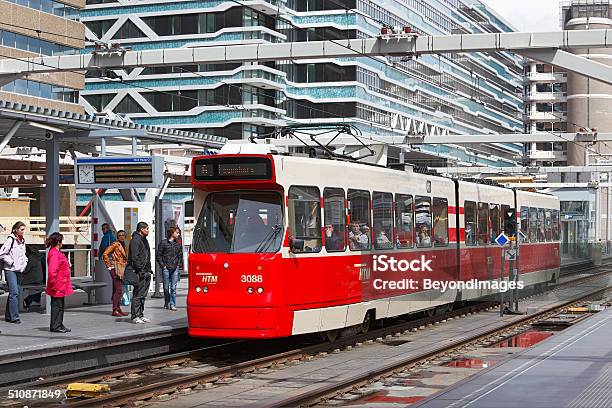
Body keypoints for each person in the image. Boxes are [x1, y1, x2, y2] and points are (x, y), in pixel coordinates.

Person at [45, 232, 74, 333]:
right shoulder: (54, 253)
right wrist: (53, 284)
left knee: (60, 305)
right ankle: (55, 326)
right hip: (57, 284)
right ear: (58, 242)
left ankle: (59, 324)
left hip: (61, 283)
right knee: (57, 306)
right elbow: (52, 271)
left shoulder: (57, 252)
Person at [1, 221, 28, 324]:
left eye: (23, 229)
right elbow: (2, 254)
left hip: (19, 270)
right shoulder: (10, 240)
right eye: (21, 229)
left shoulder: (22, 241)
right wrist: (11, 262)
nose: (23, 231)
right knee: (15, 293)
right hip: (10, 270)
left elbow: (24, 255)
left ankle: (9, 315)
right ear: (15, 230)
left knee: (15, 293)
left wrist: (24, 263)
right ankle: (14, 317)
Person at [128, 222, 152, 324]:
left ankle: (141, 314)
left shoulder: (144, 240)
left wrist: (149, 270)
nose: (148, 231)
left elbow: (146, 256)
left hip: (146, 271)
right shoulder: (136, 240)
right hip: (139, 272)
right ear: (141, 229)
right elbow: (135, 257)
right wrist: (140, 270)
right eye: (146, 229)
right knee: (137, 294)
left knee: (143, 295)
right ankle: (135, 316)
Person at [102, 230, 129, 317]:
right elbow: (105, 254)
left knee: (116, 290)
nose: (121, 236)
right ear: (117, 237)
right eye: (120, 235)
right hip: (115, 268)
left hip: (121, 268)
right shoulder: (115, 244)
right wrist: (109, 266)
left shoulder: (124, 245)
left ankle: (118, 308)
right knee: (118, 290)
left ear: (125, 236)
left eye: (123, 235)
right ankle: (115, 309)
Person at [156, 227, 183, 311]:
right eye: (177, 232)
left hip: (175, 268)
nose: (178, 234)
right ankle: (167, 302)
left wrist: (178, 264)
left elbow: (180, 255)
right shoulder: (163, 243)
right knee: (166, 287)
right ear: (172, 233)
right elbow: (158, 255)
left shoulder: (178, 244)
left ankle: (172, 304)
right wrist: (163, 266)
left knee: (173, 287)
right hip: (166, 268)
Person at [22, 245, 45, 310]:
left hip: (34, 280)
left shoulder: (31, 258)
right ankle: (33, 300)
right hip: (39, 279)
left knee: (18, 283)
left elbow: (25, 270)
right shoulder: (38, 257)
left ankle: (23, 300)